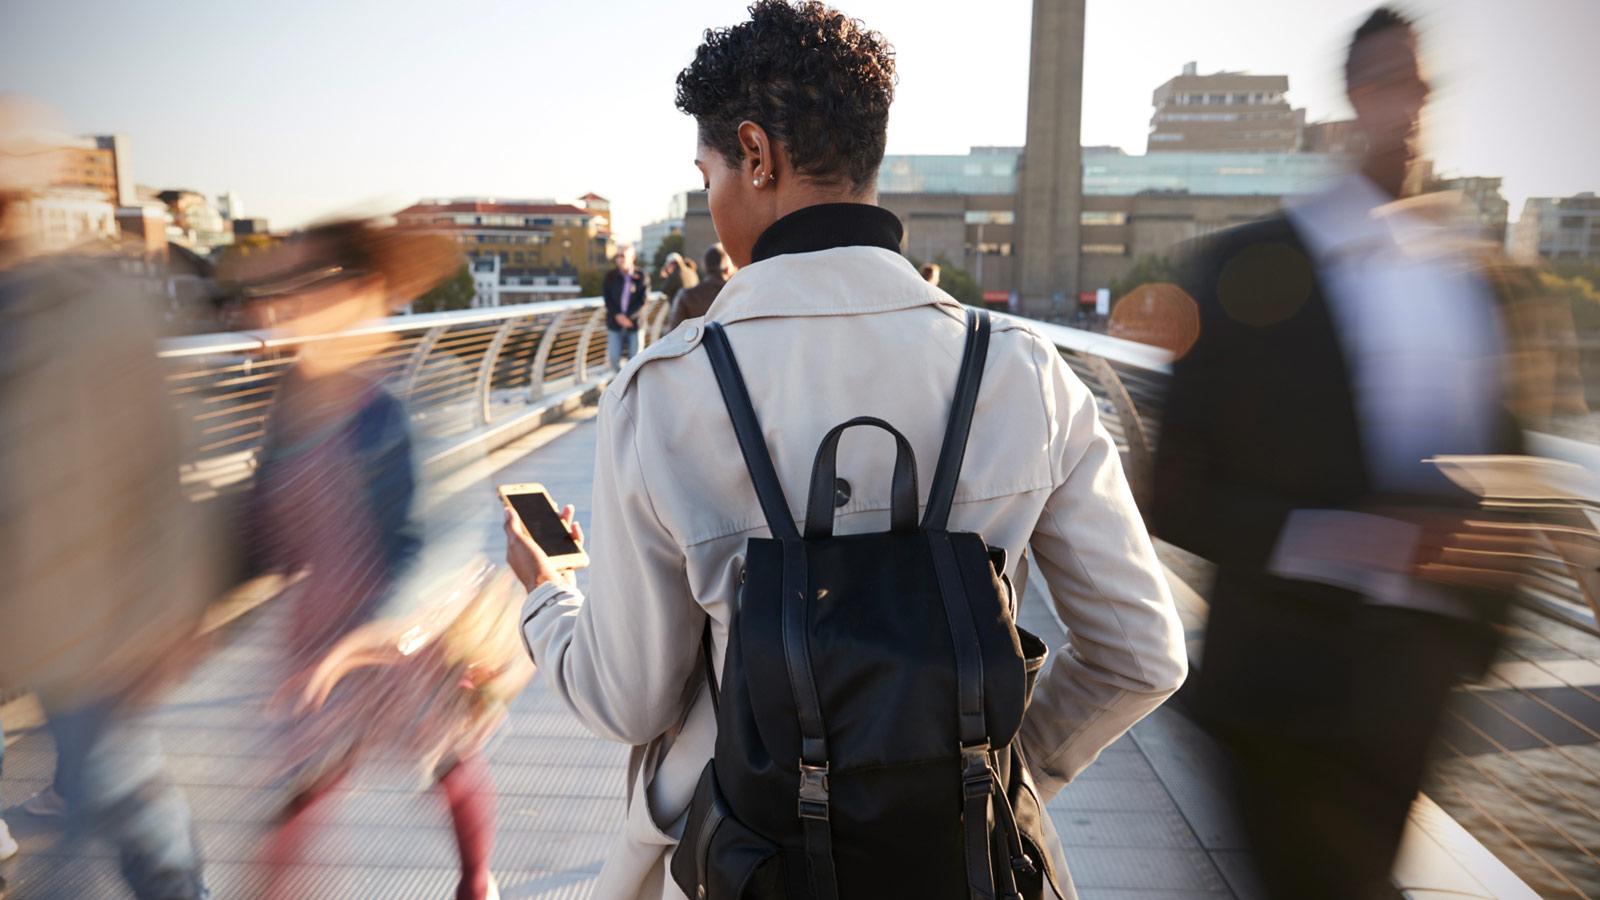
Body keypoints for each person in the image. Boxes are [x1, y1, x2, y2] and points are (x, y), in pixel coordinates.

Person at [505, 3, 1186, 898]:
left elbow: (626, 697)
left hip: (755, 865)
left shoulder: (669, 391)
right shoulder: (1023, 370)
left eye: (708, 171)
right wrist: (972, 782)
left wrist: (546, 598)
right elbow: (1141, 653)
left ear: (756, 154)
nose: (712, 207)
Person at [1149, 10, 1556, 899]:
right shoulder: (1247, 267)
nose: (1403, 109)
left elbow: (1516, 474)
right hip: (1280, 693)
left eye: (1419, 86)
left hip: (1411, 695)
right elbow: (1174, 492)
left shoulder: (1478, 281)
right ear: (1350, 99)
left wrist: (1466, 641)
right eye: (1383, 85)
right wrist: (1359, 538)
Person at [231, 222, 512, 900]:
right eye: (286, 286)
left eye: (308, 286)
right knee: (307, 777)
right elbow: (263, 519)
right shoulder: (293, 397)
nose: (287, 301)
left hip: (408, 627)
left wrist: (378, 633)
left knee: (446, 757)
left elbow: (434, 537)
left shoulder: (406, 395)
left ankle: (476, 882)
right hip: (325, 625)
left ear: (363, 292)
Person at [0, 93, 220, 900]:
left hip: (88, 622)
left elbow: (163, 460)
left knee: (130, 805)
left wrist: (168, 607)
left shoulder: (91, 304)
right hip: (41, 615)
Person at [665, 242, 735, 330]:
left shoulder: (686, 296)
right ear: (728, 269)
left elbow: (674, 333)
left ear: (703, 267)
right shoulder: (740, 292)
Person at [604, 246, 649, 371]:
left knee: (635, 359)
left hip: (634, 323)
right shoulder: (610, 276)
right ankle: (622, 383)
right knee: (613, 358)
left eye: (623, 255)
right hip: (615, 322)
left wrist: (627, 317)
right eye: (618, 256)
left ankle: (632, 386)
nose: (620, 259)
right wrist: (618, 316)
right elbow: (607, 299)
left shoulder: (641, 276)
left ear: (632, 257)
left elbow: (643, 300)